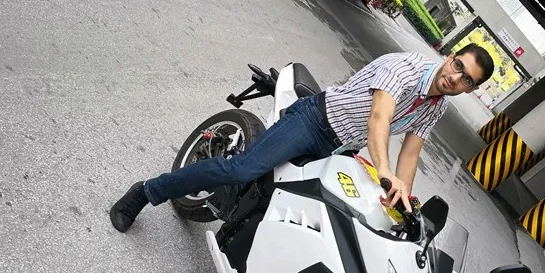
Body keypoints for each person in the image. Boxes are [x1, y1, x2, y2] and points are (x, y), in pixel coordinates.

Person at [109, 44, 495, 232]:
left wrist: (404, 200)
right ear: (448, 56)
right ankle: (146, 191)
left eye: (466, 79)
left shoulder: (437, 106)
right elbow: (380, 117)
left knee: (318, 213)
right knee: (241, 170)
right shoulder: (406, 68)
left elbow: (411, 153)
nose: (455, 77)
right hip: (314, 121)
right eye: (457, 65)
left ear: (470, 89)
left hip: (341, 147)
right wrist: (384, 171)